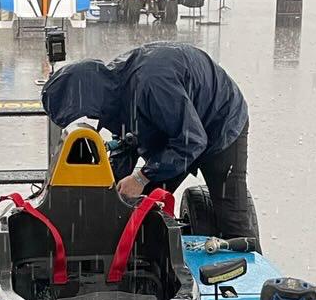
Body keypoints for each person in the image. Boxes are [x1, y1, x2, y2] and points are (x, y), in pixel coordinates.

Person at [41, 44, 259, 247]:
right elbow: (128, 141)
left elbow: (192, 141)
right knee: (144, 205)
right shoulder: (114, 87)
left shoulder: (152, 85)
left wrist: (141, 177)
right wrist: (110, 192)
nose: (92, 117)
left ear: (90, 98)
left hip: (220, 123)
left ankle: (250, 267)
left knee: (232, 219)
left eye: (89, 113)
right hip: (176, 131)